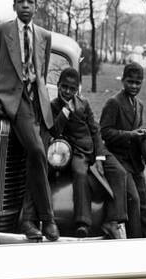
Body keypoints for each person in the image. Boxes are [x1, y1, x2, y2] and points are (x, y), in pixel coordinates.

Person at [0, 0, 59, 241]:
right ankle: (47, 220)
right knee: (37, 151)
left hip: (39, 104)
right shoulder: (2, 31)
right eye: (21, 1)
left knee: (35, 159)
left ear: (36, 6)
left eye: (30, 1)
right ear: (14, 5)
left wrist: (43, 101)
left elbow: (42, 73)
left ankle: (27, 219)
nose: (25, 5)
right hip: (15, 100)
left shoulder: (44, 36)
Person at [48, 67, 128, 239]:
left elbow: (95, 130)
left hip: (95, 150)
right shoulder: (54, 106)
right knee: (80, 173)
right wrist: (65, 111)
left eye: (72, 88)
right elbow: (54, 131)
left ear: (78, 89)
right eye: (64, 87)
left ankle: (113, 220)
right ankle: (83, 222)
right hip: (76, 151)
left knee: (119, 172)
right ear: (58, 86)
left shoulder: (84, 104)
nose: (68, 92)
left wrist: (100, 156)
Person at [100, 62, 146, 238]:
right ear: (123, 81)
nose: (134, 86)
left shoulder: (138, 105)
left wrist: (141, 133)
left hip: (134, 161)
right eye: (130, 81)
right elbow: (105, 132)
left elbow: (134, 129)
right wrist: (130, 134)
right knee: (134, 200)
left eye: (138, 82)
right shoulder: (114, 103)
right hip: (119, 160)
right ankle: (135, 241)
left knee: (145, 204)